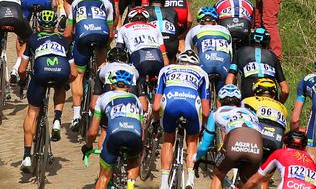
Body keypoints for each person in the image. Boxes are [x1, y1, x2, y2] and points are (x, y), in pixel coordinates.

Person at [18, 9, 74, 170]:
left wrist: (23, 82)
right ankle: (57, 119)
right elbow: (74, 72)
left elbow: (22, 69)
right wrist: (65, 83)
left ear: (38, 25)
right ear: (55, 25)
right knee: (60, 86)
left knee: (33, 112)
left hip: (41, 72)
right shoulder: (64, 41)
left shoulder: (32, 39)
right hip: (61, 69)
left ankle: (27, 157)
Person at [153, 48, 210, 187]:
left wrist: (155, 121)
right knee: (192, 140)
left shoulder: (166, 70)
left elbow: (155, 106)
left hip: (170, 104)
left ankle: (164, 183)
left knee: (168, 139)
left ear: (178, 61)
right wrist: (203, 128)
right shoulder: (202, 73)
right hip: (191, 106)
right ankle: (190, 179)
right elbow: (206, 112)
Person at [83, 69, 145, 189]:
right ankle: (130, 184)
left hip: (115, 136)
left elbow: (92, 132)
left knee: (104, 177)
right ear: (129, 87)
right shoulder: (136, 100)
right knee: (133, 162)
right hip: (134, 135)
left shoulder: (103, 97)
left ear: (111, 85)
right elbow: (142, 133)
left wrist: (88, 146)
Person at [68, 0, 115, 130]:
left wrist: (67, 44)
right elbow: (111, 32)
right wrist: (105, 47)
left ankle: (76, 115)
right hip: (101, 35)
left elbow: (69, 32)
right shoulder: (106, 3)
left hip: (82, 37)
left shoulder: (77, 2)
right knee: (102, 69)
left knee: (78, 75)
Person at [196, 83, 264, 189]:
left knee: (218, 174)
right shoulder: (252, 114)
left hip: (234, 147)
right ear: (240, 102)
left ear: (219, 101)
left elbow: (205, 144)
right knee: (247, 181)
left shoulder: (216, 113)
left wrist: (195, 157)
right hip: (256, 149)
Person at [241, 129, 316, 189]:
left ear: (284, 144)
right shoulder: (311, 161)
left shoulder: (279, 152)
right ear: (304, 147)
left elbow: (254, 180)